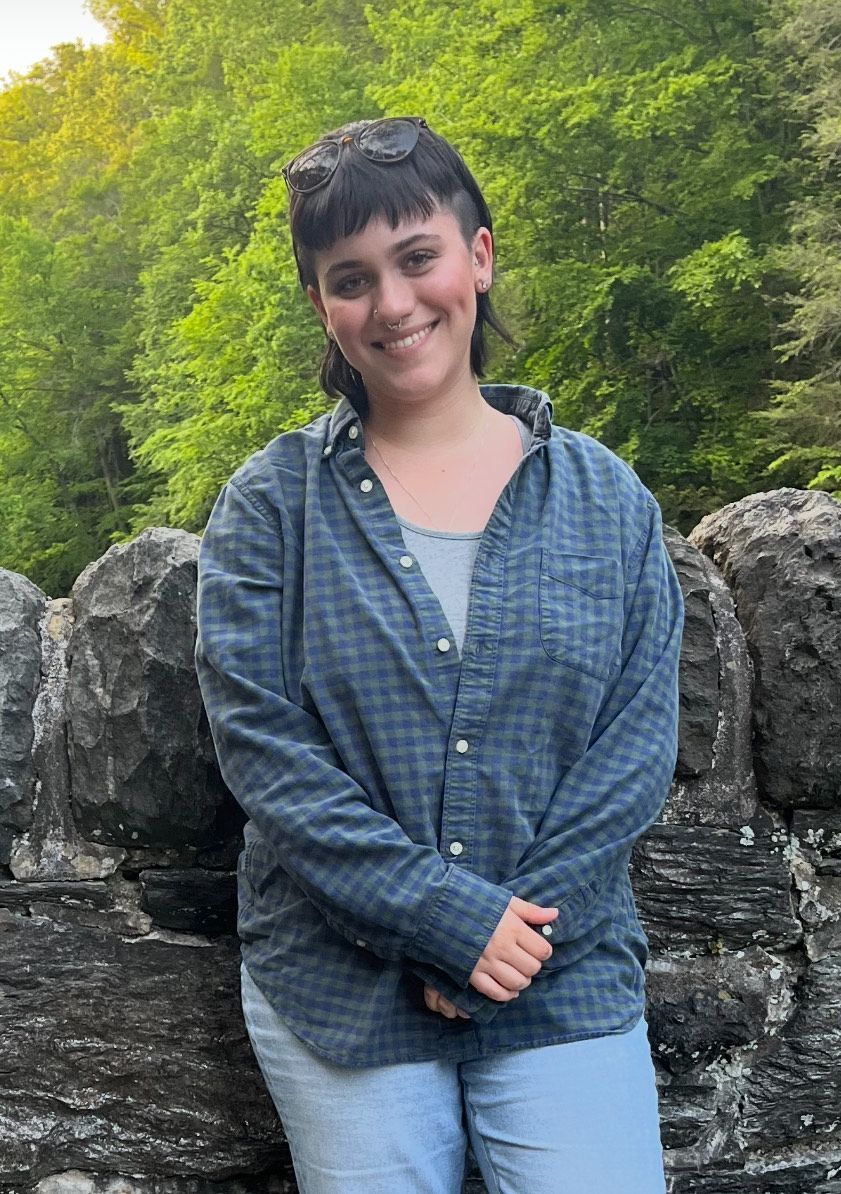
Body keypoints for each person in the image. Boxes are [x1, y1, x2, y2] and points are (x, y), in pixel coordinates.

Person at [194, 116, 684, 1194]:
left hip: (561, 974)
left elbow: (634, 746)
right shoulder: (270, 507)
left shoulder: (606, 499)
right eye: (351, 279)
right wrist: (442, 919)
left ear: (479, 255)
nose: (393, 303)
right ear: (321, 304)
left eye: (417, 257)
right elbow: (266, 752)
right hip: (338, 988)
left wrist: (500, 940)